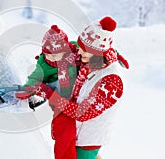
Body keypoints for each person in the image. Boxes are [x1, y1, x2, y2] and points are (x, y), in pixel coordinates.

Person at [27, 17, 129, 159]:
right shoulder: (90, 59)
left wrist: (49, 94)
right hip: (75, 131)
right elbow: (68, 50)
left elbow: (82, 113)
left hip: (87, 140)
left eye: (84, 50)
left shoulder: (112, 81)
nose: (79, 53)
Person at [23, 25, 80, 159]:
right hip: (59, 96)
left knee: (82, 139)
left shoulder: (74, 49)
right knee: (65, 133)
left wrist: (113, 55)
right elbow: (34, 78)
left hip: (77, 91)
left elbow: (93, 49)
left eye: (55, 55)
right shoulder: (44, 65)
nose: (51, 58)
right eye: (47, 54)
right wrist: (26, 91)